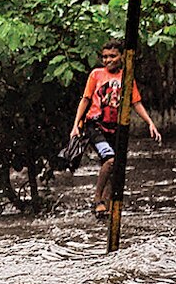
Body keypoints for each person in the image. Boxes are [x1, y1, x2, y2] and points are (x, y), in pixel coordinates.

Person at [69, 39, 161, 217]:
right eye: (104, 57)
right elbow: (85, 99)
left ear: (122, 57)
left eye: (112, 56)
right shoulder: (96, 75)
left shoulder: (127, 77)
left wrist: (150, 123)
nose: (108, 60)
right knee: (110, 160)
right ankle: (97, 199)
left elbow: (136, 102)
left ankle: (105, 210)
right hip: (95, 125)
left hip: (116, 128)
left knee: (115, 168)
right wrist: (75, 125)